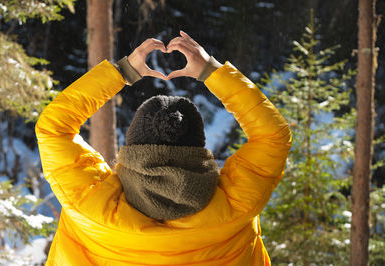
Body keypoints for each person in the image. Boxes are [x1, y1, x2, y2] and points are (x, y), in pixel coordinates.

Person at [36, 31, 292, 265]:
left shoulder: (90, 204)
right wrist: (212, 72)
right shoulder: (236, 204)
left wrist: (122, 71)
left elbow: (53, 128)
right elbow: (272, 135)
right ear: (199, 148)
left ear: (133, 145)